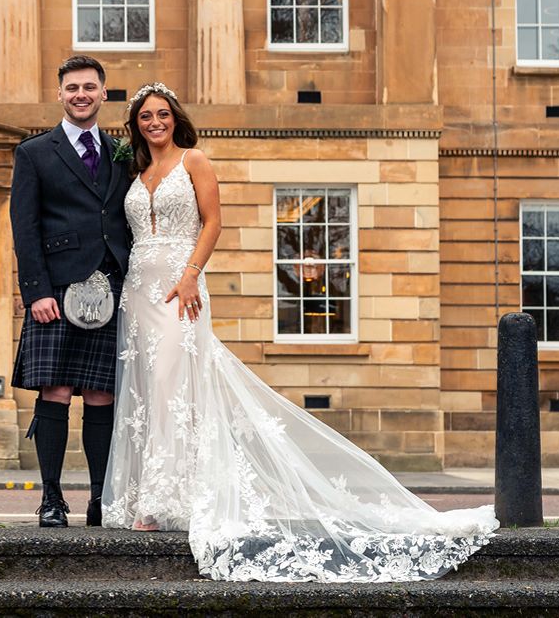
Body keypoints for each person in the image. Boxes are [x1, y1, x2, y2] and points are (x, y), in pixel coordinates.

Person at [102, 81, 499, 582]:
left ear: (175, 118)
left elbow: (214, 222)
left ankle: (161, 501)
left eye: (161, 114)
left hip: (182, 288)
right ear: (136, 125)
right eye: (145, 117)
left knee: (171, 386)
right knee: (144, 390)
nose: (154, 122)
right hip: (139, 289)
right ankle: (155, 493)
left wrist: (190, 275)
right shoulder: (136, 171)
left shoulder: (194, 160)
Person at [10, 55, 133, 528]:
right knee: (56, 391)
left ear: (104, 94)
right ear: (60, 95)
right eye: (71, 88)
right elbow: (25, 226)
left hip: (111, 286)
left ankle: (100, 498)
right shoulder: (35, 152)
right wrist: (37, 290)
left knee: (102, 394)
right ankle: (52, 499)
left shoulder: (121, 152)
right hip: (57, 292)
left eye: (89, 87)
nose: (80, 95)